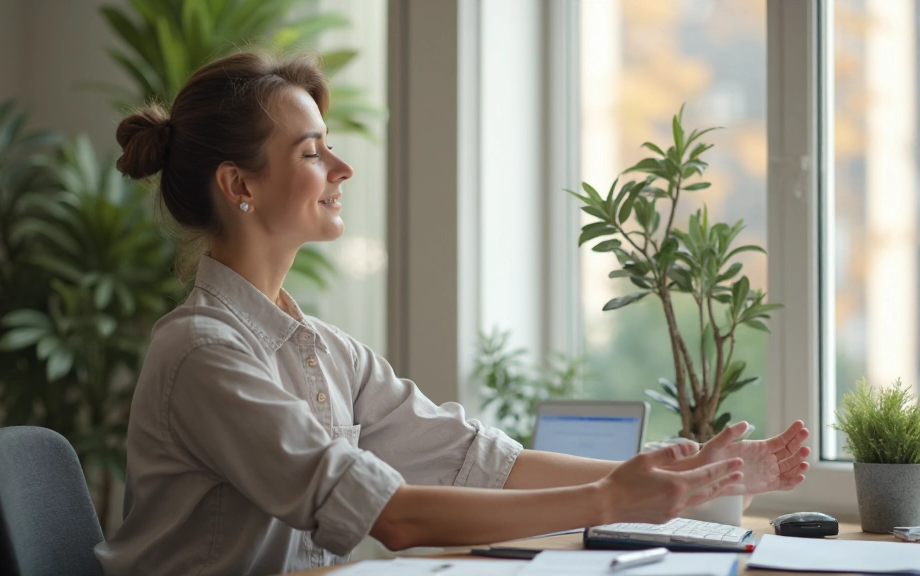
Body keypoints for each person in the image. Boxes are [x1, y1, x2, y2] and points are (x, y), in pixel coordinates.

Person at [94, 51, 811, 575]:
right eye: (313, 154)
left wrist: (662, 472)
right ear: (237, 184)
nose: (342, 171)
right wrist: (608, 499)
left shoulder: (319, 349)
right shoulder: (203, 355)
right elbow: (395, 517)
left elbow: (474, 459)